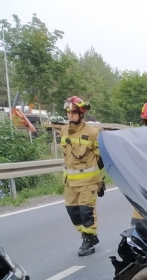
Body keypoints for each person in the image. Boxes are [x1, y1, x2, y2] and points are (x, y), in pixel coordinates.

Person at [61, 96, 105, 256]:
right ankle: (87, 235)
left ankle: (88, 239)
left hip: (89, 182)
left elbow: (100, 158)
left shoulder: (92, 133)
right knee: (73, 212)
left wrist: (100, 181)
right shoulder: (64, 131)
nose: (70, 115)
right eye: (68, 112)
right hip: (70, 183)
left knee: (86, 211)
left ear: (81, 114)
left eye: (73, 112)